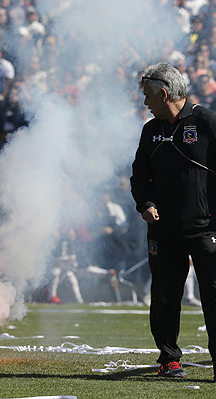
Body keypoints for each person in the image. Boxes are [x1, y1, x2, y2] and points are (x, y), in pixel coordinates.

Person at [131, 62, 216, 380]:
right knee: (165, 297)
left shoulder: (205, 121)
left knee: (213, 296)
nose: (145, 103)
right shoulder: (150, 130)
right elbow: (139, 175)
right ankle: (169, 359)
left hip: (206, 229)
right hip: (163, 233)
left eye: (147, 96)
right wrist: (146, 203)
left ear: (164, 93)